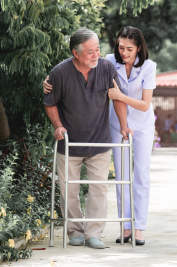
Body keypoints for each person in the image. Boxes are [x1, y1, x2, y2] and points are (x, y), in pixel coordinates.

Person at [43, 28, 133, 249]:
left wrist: (123, 126)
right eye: (90, 52)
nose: (96, 55)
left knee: (99, 188)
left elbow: (117, 98)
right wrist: (58, 126)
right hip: (69, 143)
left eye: (97, 50)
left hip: (99, 142)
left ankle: (93, 234)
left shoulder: (106, 68)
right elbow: (50, 102)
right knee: (68, 189)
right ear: (75, 52)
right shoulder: (60, 72)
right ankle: (75, 231)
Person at [105, 26, 156, 246]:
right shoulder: (108, 61)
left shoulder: (149, 67)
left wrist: (119, 96)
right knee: (122, 176)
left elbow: (145, 105)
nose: (124, 52)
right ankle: (126, 226)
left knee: (141, 175)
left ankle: (139, 228)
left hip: (143, 125)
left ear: (139, 48)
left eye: (129, 49)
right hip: (117, 124)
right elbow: (80, 66)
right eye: (121, 47)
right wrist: (51, 80)